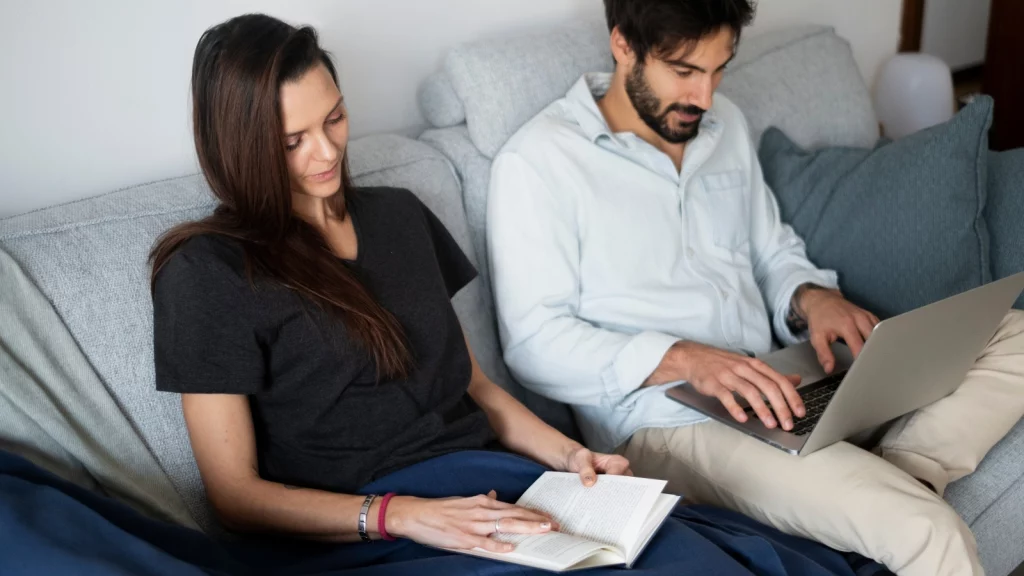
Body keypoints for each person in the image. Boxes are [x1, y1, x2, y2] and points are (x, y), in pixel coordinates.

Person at [148, 12, 889, 576]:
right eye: (292, 140)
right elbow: (235, 497)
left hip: (498, 486)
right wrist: (402, 517)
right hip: (374, 527)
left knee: (755, 557)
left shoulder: (398, 216)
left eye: (334, 117)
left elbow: (474, 385)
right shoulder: (208, 272)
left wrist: (572, 458)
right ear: (239, 146)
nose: (327, 151)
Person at [486, 1, 1024, 575]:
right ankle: (886, 499)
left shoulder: (726, 128)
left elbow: (771, 251)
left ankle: (900, 471)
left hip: (781, 379)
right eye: (685, 71)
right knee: (929, 533)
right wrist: (683, 360)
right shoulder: (539, 162)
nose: (705, 97)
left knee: (1011, 330)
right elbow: (533, 346)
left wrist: (811, 296)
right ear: (623, 45)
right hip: (667, 423)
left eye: (719, 70)